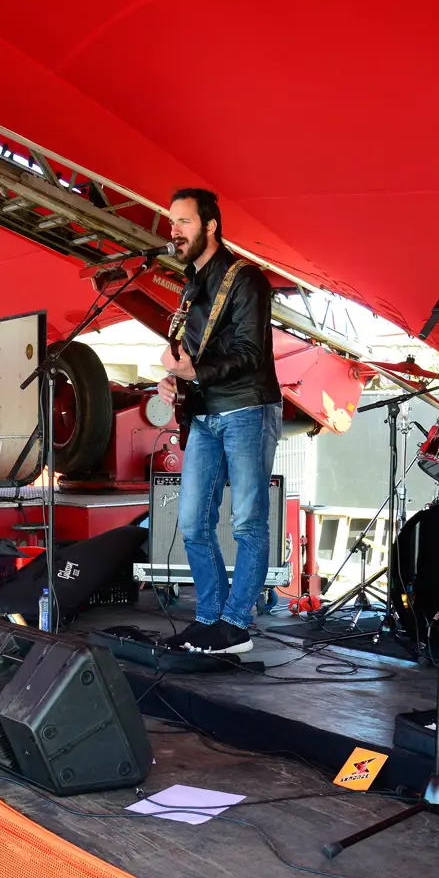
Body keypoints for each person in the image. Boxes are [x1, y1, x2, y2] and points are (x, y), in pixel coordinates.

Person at [153, 188, 281, 655]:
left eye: (184, 222)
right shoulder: (192, 286)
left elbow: (250, 353)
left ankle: (235, 624)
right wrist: (173, 383)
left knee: (248, 521)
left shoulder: (246, 279)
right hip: (204, 412)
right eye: (172, 222)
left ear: (210, 225)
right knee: (191, 522)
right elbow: (192, 356)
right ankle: (209, 617)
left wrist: (194, 372)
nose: (174, 231)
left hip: (247, 407)